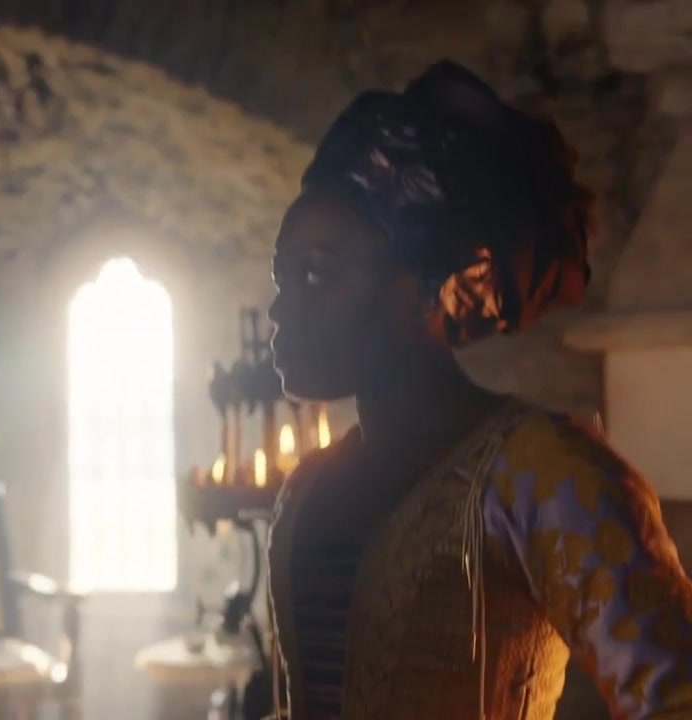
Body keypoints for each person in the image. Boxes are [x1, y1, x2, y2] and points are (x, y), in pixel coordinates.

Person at [264, 60, 692, 720]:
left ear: (426, 284)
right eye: (282, 278)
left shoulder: (541, 475)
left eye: (317, 274)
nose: (281, 309)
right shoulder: (309, 488)